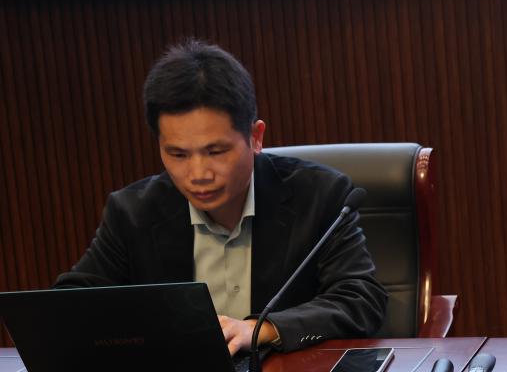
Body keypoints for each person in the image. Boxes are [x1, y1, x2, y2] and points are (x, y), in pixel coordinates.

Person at [56, 39, 387, 354]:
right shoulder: (133, 212)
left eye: (215, 152)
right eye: (178, 154)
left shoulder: (320, 196)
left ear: (255, 137)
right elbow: (69, 305)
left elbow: (360, 300)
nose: (198, 173)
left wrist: (262, 329)